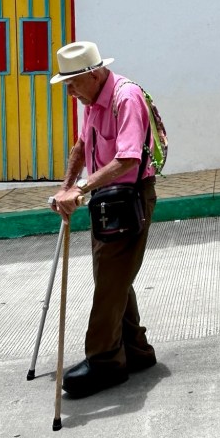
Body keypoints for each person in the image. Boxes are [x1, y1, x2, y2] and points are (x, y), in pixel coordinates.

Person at [49, 40, 158, 398]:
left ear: (94, 74)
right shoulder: (93, 101)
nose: (70, 92)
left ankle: (105, 360)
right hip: (106, 199)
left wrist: (80, 188)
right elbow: (82, 146)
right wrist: (66, 188)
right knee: (112, 276)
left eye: (73, 83)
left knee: (110, 278)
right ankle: (136, 350)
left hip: (130, 197)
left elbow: (127, 159)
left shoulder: (125, 98)